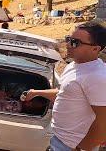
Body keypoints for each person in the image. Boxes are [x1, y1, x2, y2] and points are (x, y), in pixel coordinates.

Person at [23, 22, 106, 150]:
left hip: (72, 146)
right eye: (68, 39)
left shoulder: (97, 76)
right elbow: (64, 93)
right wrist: (36, 92)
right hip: (58, 139)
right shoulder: (74, 65)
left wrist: (82, 147)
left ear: (95, 49)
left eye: (75, 42)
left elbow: (103, 124)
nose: (68, 45)